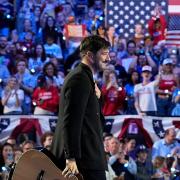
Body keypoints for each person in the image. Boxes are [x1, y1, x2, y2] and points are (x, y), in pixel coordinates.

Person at [51, 35, 111, 180]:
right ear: (90, 55)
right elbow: (70, 121)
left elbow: (95, 120)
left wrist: (99, 98)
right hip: (82, 162)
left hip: (88, 159)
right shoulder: (79, 78)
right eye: (104, 53)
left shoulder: (86, 78)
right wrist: (70, 157)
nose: (108, 59)